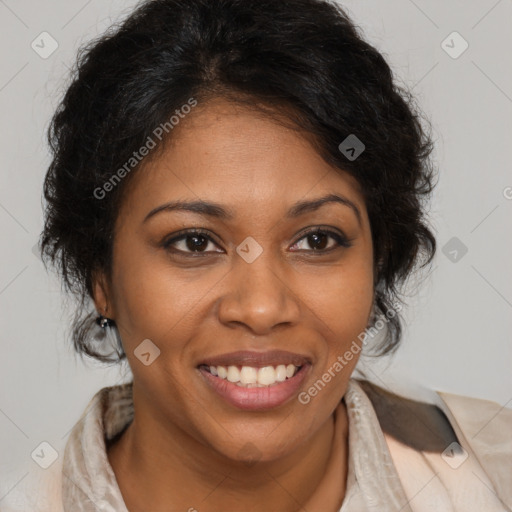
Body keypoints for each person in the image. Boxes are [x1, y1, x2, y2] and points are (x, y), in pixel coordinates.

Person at [1, 0, 510, 510]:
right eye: (194, 242)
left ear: (378, 261)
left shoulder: (495, 476)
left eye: (317, 240)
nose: (262, 308)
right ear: (102, 278)